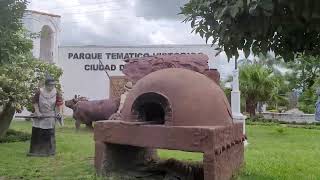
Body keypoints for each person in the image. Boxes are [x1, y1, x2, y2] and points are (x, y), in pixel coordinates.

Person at [28, 75, 63, 157]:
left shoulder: (56, 92)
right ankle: (36, 151)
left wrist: (59, 112)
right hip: (40, 114)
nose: (51, 87)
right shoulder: (39, 92)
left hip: (50, 115)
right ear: (46, 85)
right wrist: (37, 112)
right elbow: (35, 102)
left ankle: (49, 151)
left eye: (53, 85)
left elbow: (59, 103)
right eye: (49, 85)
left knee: (49, 133)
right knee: (38, 132)